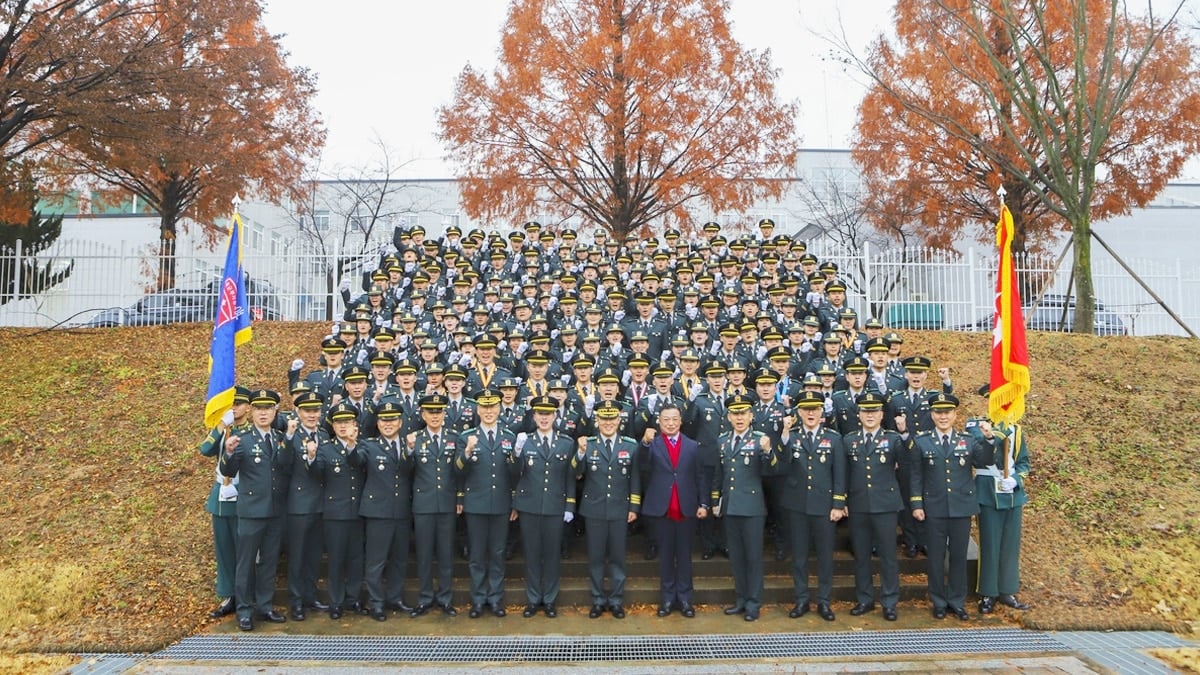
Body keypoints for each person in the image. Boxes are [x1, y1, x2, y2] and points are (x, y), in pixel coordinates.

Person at [906, 392, 1000, 620]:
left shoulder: (968, 440)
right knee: (936, 557)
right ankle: (938, 601)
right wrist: (917, 504)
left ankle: (957, 601)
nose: (943, 417)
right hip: (934, 507)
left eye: (947, 412)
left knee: (958, 556)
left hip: (961, 507)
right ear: (932, 414)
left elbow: (985, 461)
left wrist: (989, 440)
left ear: (955, 414)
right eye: (938, 412)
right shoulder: (921, 441)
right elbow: (916, 476)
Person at [219, 389, 292, 632]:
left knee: (270, 561)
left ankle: (265, 606)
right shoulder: (242, 438)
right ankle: (244, 611)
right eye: (259, 409)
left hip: (276, 511)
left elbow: (285, 466)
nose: (263, 413)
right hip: (251, 511)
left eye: (268, 409)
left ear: (274, 412)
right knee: (246, 562)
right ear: (251, 412)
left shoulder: (281, 437)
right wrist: (228, 452)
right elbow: (228, 471)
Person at [711, 393, 780, 622]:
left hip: (752, 507)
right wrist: (714, 500)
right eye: (735, 414)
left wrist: (768, 451)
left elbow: (770, 472)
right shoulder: (722, 440)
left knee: (753, 558)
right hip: (730, 506)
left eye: (743, 413)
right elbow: (718, 474)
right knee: (737, 557)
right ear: (729, 417)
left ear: (751, 416)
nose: (739, 418)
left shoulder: (760, 438)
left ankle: (753, 602)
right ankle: (740, 599)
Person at [779, 390, 846, 621]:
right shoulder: (792, 436)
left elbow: (840, 474)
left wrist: (838, 503)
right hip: (797, 505)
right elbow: (783, 465)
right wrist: (785, 434)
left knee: (825, 556)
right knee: (799, 557)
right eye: (806, 409)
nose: (810, 413)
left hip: (824, 506)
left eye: (815, 409)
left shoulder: (834, 438)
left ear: (821, 412)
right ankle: (801, 600)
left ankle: (824, 601)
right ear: (798, 412)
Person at [638, 403, 707, 617]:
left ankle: (685, 600)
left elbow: (700, 477)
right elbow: (641, 466)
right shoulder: (653, 444)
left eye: (674, 419)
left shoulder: (693, 446)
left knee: (685, 557)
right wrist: (644, 444)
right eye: (666, 419)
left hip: (686, 508)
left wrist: (703, 503)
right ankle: (667, 599)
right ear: (659, 421)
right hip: (662, 509)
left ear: (681, 421)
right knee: (666, 556)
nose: (670, 423)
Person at [456, 388, 519, 618]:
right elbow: (458, 470)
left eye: (493, 407)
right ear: (478, 409)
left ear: (499, 408)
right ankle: (478, 599)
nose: (489, 411)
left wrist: (514, 502)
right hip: (476, 503)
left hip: (501, 503)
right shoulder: (467, 436)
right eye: (484, 407)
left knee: (498, 552)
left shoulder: (509, 436)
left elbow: (515, 474)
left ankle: (495, 598)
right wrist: (467, 451)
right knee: (477, 554)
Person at [512, 395, 578, 618]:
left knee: (551, 555)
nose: (543, 418)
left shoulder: (566, 442)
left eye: (548, 414)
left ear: (555, 415)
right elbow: (514, 474)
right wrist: (517, 453)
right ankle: (533, 599)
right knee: (531, 554)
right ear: (534, 415)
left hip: (555, 505)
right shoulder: (525, 440)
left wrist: (569, 505)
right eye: (540, 413)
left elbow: (571, 476)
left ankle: (549, 599)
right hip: (529, 505)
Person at [575, 400, 641, 619]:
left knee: (617, 557)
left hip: (619, 509)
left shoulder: (630, 445)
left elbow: (636, 479)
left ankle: (615, 600)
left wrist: (633, 506)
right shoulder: (589, 443)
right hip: (594, 509)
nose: (608, 423)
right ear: (597, 420)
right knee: (595, 558)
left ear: (619, 420)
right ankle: (597, 599)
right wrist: (581, 453)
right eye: (604, 419)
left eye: (612, 418)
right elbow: (576, 473)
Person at [843, 392, 903, 621]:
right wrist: (843, 499)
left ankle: (889, 602)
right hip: (858, 505)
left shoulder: (894, 439)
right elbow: (845, 473)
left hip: (886, 505)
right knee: (861, 556)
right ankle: (864, 599)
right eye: (865, 411)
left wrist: (905, 432)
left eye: (874, 411)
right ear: (858, 414)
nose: (870, 415)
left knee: (888, 556)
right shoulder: (849, 440)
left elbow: (907, 461)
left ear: (882, 414)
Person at [353, 398, 414, 621]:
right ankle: (377, 603)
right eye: (383, 421)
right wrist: (351, 445)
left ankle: (395, 598)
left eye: (392, 420)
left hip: (401, 511)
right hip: (378, 511)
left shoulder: (408, 444)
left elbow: (410, 469)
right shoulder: (369, 445)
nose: (388, 424)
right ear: (377, 423)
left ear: (400, 422)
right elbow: (356, 460)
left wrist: (409, 449)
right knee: (376, 561)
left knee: (399, 559)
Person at [305, 401, 367, 620]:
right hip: (335, 512)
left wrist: (351, 445)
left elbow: (360, 463)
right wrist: (311, 457)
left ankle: (354, 599)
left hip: (357, 511)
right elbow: (317, 473)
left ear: (355, 424)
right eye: (339, 422)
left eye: (348, 422)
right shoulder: (325, 448)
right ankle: (336, 602)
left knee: (356, 559)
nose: (343, 426)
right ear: (333, 425)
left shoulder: (361, 445)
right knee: (337, 559)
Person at [968, 407, 1031, 614]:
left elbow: (1023, 463)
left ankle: (1007, 590)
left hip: (1012, 493)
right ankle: (988, 592)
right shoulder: (977, 426)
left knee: (1009, 546)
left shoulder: (1017, 430)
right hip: (988, 491)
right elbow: (980, 455)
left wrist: (1015, 479)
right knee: (990, 544)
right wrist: (991, 434)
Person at [197, 385, 250, 619]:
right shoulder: (223, 430)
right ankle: (229, 595)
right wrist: (221, 424)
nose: (234, 408)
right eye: (231, 404)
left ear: (248, 407)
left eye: (238, 404)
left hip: (245, 494)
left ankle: (247, 595)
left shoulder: (251, 431)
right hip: (222, 496)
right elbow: (205, 449)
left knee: (245, 550)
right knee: (225, 549)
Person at [407, 393, 462, 617]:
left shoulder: (453, 437)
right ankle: (425, 598)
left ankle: (445, 598)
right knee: (425, 554)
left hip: (447, 503)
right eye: (431, 412)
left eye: (439, 411)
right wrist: (409, 450)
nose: (435, 416)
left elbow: (459, 472)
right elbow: (407, 471)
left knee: (446, 553)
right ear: (422, 414)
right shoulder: (415, 438)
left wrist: (459, 498)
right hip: (423, 504)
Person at [284, 391, 327, 621]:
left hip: (320, 503)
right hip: (299, 505)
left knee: (313, 555)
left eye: (315, 410)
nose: (312, 415)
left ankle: (310, 596)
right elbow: (282, 464)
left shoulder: (323, 434)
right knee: (298, 557)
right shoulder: (291, 436)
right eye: (307, 411)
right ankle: (296, 601)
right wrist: (290, 438)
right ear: (298, 412)